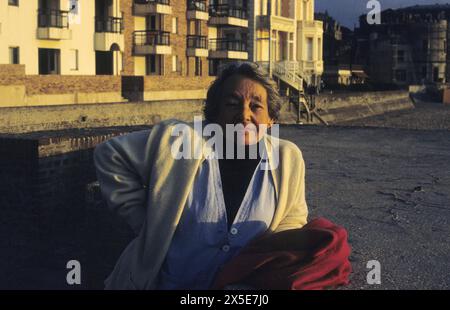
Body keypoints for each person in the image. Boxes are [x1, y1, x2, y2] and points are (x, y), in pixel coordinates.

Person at [93, 62, 308, 290]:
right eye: (232, 103)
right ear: (215, 112)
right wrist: (146, 222)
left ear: (271, 119)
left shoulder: (287, 157)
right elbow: (109, 154)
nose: (244, 115)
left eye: (256, 106)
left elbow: (293, 218)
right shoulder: (181, 140)